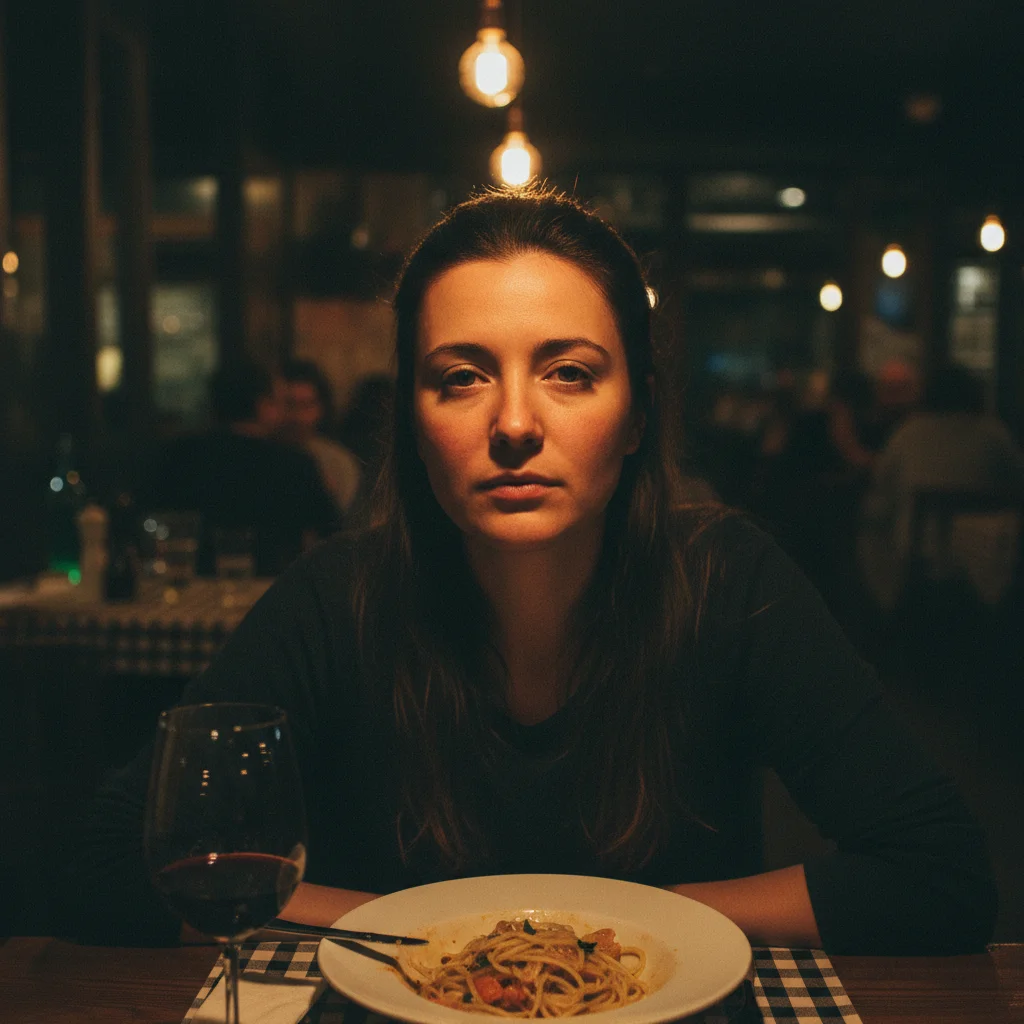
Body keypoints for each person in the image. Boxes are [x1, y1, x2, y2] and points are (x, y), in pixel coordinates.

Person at [74, 189, 995, 955]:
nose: (514, 423)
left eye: (569, 372)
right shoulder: (340, 595)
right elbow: (110, 858)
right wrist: (428, 932)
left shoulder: (728, 580)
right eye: (462, 377)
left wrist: (613, 929)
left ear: (636, 419)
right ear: (412, 425)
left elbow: (938, 874)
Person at [146, 358, 340, 576]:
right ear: (262, 406)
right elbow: (332, 536)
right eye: (277, 401)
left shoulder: (178, 455)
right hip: (272, 591)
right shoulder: (294, 464)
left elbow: (153, 521)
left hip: (192, 588)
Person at [859, 362, 1024, 611]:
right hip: (987, 562)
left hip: (917, 557)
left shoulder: (906, 435)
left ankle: (887, 618)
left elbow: (879, 503)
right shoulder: (994, 435)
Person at [280, 357, 363, 515]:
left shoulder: (338, 462)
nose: (297, 416)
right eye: (289, 404)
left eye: (306, 405)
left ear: (321, 408)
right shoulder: (262, 455)